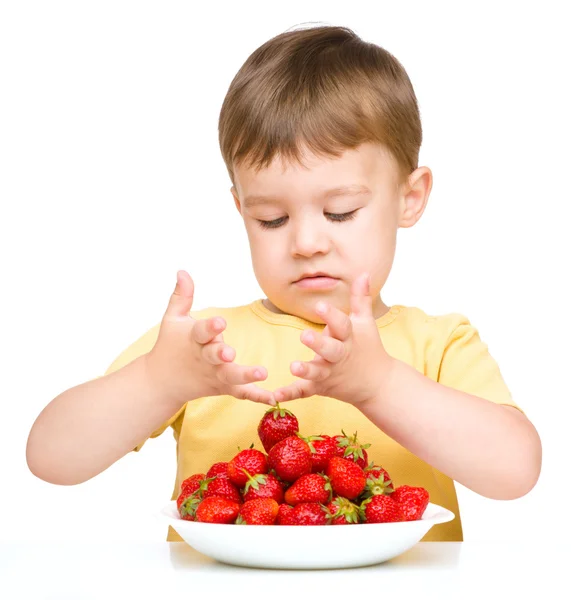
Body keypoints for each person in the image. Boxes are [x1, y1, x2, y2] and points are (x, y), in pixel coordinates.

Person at [26, 24, 542, 542]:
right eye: (271, 218)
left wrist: (381, 384)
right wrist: (158, 382)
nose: (307, 242)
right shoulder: (204, 345)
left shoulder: (439, 342)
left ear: (409, 198)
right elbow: (51, 458)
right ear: (240, 210)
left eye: (340, 212)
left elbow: (515, 471)